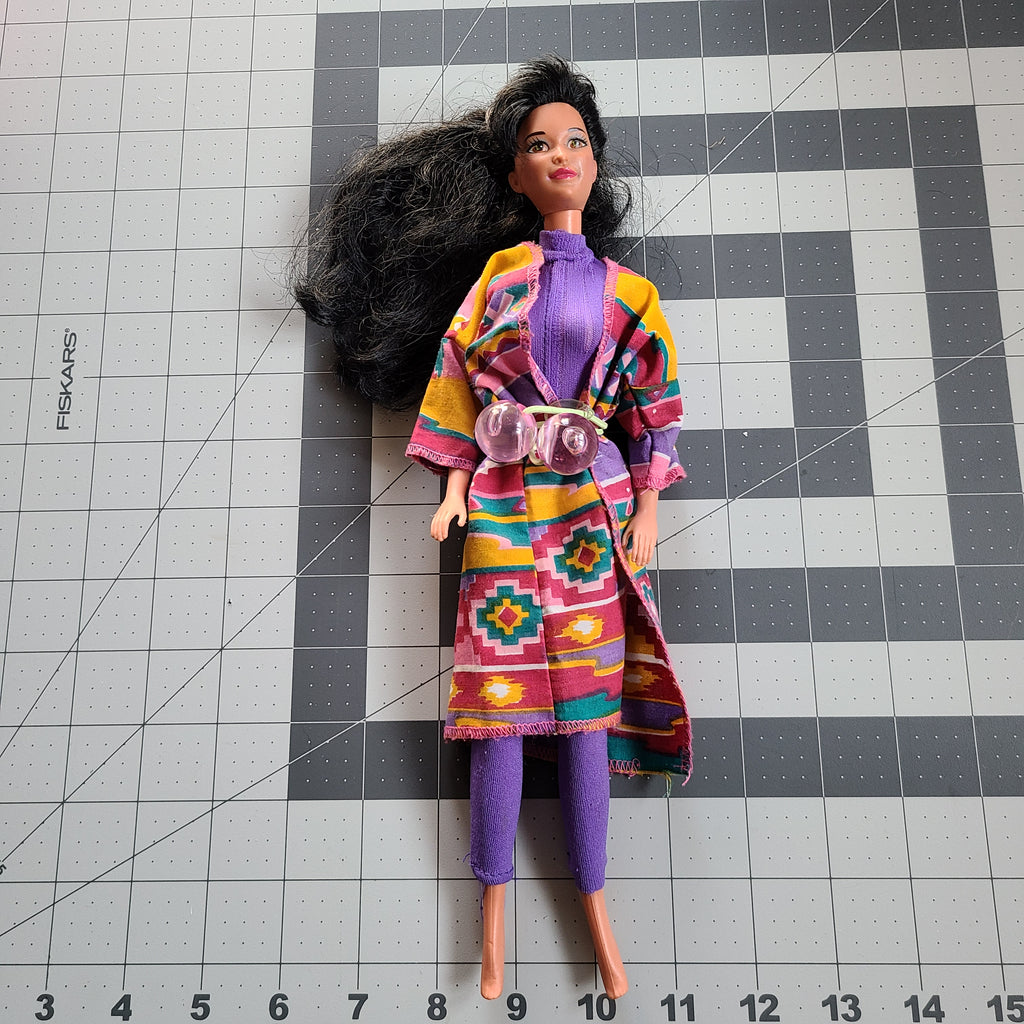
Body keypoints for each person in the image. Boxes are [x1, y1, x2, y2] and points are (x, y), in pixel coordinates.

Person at [296, 55, 691, 1002]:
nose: (561, 156)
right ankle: (493, 917)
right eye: (540, 145)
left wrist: (646, 506)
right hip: (507, 503)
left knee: (586, 709)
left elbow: (654, 405)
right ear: (516, 173)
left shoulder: (629, 295)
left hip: (590, 505)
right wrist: (452, 487)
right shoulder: (498, 280)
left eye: (575, 141)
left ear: (594, 162)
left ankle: (596, 908)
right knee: (496, 708)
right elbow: (457, 377)